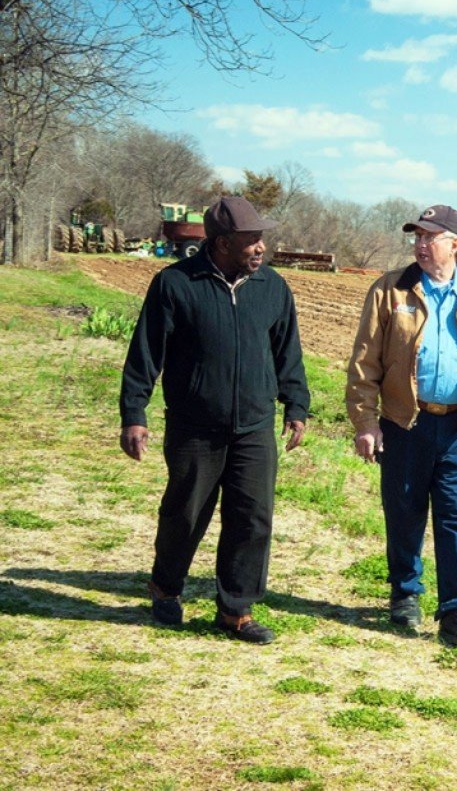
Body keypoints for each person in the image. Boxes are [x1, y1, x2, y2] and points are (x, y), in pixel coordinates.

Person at [119, 196, 310, 645]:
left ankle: (235, 610)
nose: (261, 246)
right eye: (251, 239)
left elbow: (288, 352)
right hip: (194, 426)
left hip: (254, 426)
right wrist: (134, 413)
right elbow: (145, 354)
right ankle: (166, 587)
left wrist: (296, 405)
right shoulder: (175, 284)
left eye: (262, 237)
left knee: (252, 518)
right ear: (223, 243)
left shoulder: (272, 287)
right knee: (185, 514)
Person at [345, 204, 457, 647]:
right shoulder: (392, 290)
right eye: (417, 237)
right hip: (404, 422)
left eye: (431, 237)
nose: (421, 245)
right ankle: (405, 592)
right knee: (405, 509)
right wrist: (366, 422)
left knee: (454, 516)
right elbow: (364, 362)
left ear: (455, 245)